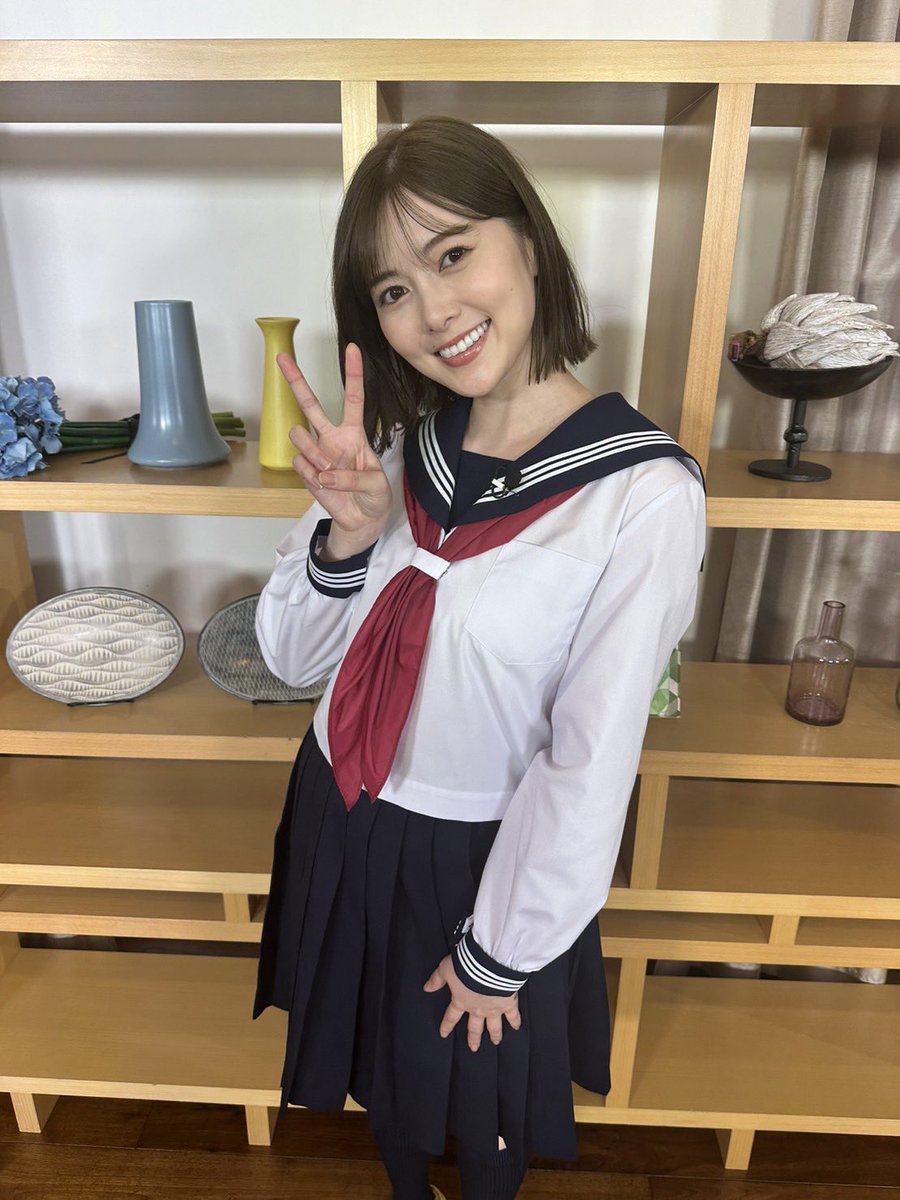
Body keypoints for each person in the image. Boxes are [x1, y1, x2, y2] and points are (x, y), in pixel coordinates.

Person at [251, 116, 707, 1200]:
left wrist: (505, 944)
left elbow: (590, 757)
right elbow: (291, 656)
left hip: (483, 855)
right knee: (384, 1071)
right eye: (393, 289)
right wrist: (348, 538)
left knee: (483, 1095)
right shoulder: (400, 448)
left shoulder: (642, 494)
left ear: (529, 244)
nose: (434, 311)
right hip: (342, 807)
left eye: (453, 254)